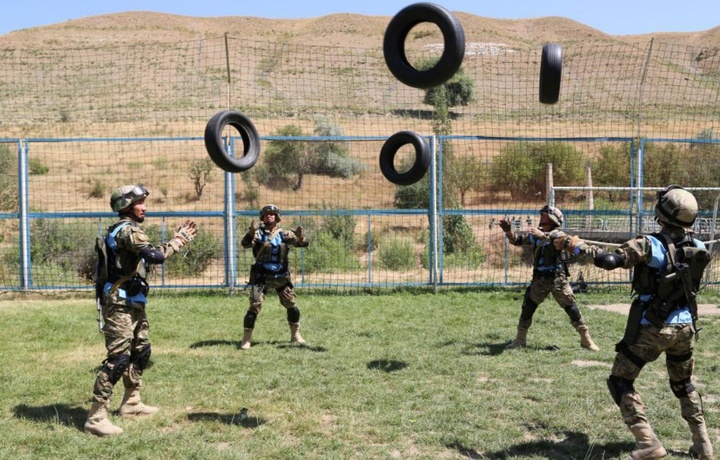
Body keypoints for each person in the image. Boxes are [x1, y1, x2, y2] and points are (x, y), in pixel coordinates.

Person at [557, 185, 714, 460]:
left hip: (654, 326)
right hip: (687, 327)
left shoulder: (649, 244)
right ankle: (703, 444)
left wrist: (576, 246)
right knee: (683, 384)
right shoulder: (699, 246)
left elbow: (609, 259)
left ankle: (648, 442)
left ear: (661, 214)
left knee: (620, 380)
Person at [84, 184, 197, 436]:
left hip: (133, 300)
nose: (144, 207)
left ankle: (131, 402)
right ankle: (96, 416)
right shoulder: (127, 231)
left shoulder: (128, 230)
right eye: (139, 203)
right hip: (119, 303)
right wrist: (179, 240)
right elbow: (155, 255)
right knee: (118, 359)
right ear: (126, 206)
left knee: (142, 351)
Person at [499, 205, 599, 351]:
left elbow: (556, 240)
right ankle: (520, 339)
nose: (541, 217)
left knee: (571, 307)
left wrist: (542, 236)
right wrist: (508, 231)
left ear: (553, 219)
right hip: (539, 279)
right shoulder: (536, 235)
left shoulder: (559, 235)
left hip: (558, 279)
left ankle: (586, 339)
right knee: (528, 307)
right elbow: (517, 240)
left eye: (544, 215)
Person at [239, 204, 309, 350]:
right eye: (266, 214)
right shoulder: (257, 234)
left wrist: (301, 238)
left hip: (281, 277)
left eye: (272, 214)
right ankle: (246, 339)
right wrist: (251, 233)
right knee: (253, 307)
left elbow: (302, 244)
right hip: (261, 277)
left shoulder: (285, 234)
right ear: (262, 218)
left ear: (277, 217)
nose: (269, 216)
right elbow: (245, 244)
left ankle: (295, 334)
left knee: (292, 306)